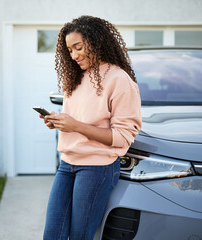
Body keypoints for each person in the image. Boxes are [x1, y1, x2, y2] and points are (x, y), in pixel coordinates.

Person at [40, 15, 142, 240]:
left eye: (78, 47)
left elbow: (123, 137)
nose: (74, 55)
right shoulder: (75, 79)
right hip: (67, 164)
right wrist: (58, 121)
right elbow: (76, 120)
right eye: (69, 50)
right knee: (52, 235)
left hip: (97, 168)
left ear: (97, 42)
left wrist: (76, 125)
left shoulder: (119, 79)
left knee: (80, 236)